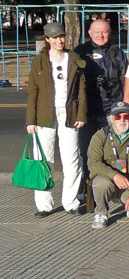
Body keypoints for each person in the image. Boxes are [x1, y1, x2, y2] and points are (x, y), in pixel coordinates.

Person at [25, 22, 87, 217]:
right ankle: (44, 205)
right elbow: (33, 92)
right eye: (55, 37)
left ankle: (71, 202)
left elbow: (81, 90)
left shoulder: (74, 59)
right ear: (47, 39)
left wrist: (81, 114)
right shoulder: (39, 61)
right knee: (43, 159)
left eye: (61, 36)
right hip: (45, 114)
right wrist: (30, 120)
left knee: (72, 159)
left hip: (68, 113)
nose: (59, 41)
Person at [74, 19, 127, 177]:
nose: (100, 35)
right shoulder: (80, 52)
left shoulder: (117, 53)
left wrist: (123, 108)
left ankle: (120, 180)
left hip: (111, 109)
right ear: (90, 33)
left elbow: (126, 81)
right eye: (97, 32)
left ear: (109, 33)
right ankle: (87, 180)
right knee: (86, 149)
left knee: (117, 148)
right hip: (87, 111)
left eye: (104, 32)